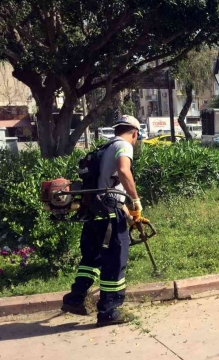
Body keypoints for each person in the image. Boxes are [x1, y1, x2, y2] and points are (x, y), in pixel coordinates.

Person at [62, 115, 147, 327]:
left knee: (92, 258)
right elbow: (124, 171)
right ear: (134, 133)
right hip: (109, 214)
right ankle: (109, 311)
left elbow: (110, 187)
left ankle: (75, 298)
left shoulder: (104, 148)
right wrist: (136, 200)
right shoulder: (124, 146)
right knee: (115, 260)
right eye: (137, 137)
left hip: (95, 211)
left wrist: (129, 215)